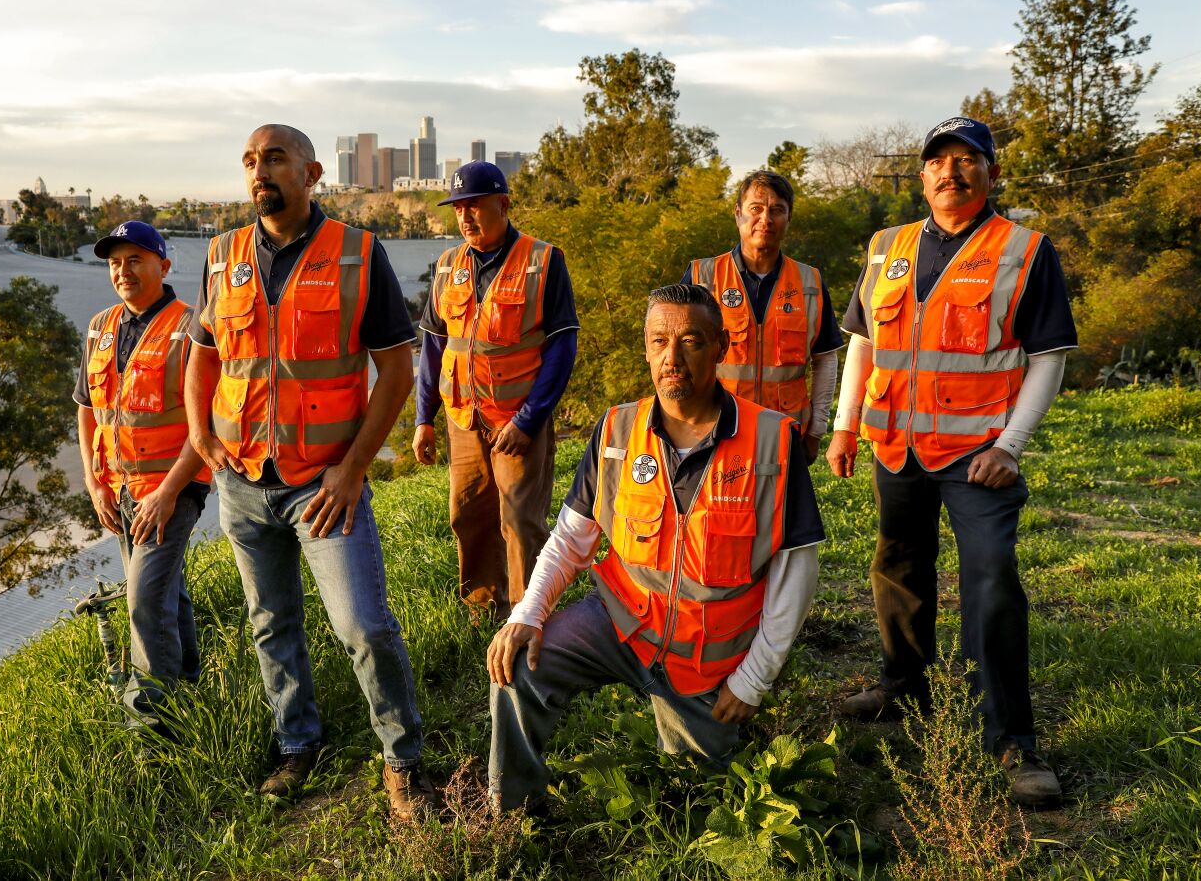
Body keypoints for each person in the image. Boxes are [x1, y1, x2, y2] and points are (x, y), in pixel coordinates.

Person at [487, 283, 823, 812]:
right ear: (644, 348)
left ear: (721, 346)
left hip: (709, 655)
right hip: (622, 621)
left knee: (695, 802)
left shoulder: (773, 441)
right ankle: (512, 810)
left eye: (690, 340)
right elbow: (572, 539)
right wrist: (527, 612)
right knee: (519, 664)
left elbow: (796, 575)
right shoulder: (617, 429)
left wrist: (754, 679)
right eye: (658, 341)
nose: (672, 357)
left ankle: (697, 744)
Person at [826, 116, 1077, 807]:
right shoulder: (888, 248)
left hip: (978, 456)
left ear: (992, 175)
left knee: (991, 579)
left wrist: (1010, 446)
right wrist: (846, 426)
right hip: (896, 447)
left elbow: (1048, 357)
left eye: (970, 160)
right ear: (922, 175)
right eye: (940, 160)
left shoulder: (1024, 251)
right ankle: (903, 686)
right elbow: (862, 342)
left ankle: (1012, 744)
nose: (952, 171)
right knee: (896, 564)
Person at [185, 124, 433, 820]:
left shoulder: (357, 253)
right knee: (271, 623)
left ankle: (403, 759)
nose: (259, 171)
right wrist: (200, 432)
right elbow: (203, 353)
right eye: (250, 162)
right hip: (241, 484)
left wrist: (355, 468)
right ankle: (298, 742)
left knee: (363, 626)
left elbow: (397, 368)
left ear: (312, 172)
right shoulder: (223, 253)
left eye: (274, 159)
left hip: (324, 486)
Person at [413, 161, 579, 621]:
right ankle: (482, 611)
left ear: (503, 204)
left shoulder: (543, 261)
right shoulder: (448, 266)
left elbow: (563, 346)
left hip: (517, 420)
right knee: (468, 517)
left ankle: (527, 619)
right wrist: (423, 419)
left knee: (521, 524)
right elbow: (432, 347)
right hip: (463, 418)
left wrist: (529, 420)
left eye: (475, 207)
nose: (465, 218)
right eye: (458, 209)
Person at [75, 220, 212, 738]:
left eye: (135, 259)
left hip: (175, 486)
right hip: (120, 487)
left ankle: (154, 729)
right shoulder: (99, 328)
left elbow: (207, 422)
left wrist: (169, 492)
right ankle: (191, 695)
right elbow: (88, 411)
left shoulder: (191, 327)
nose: (122, 271)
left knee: (144, 600)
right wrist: (94, 483)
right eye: (114, 262)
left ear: (163, 266)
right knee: (165, 593)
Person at [684, 170, 843, 461]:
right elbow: (675, 356)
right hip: (714, 433)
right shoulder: (702, 278)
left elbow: (825, 359)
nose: (765, 219)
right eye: (755, 208)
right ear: (738, 214)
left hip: (785, 434)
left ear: (789, 218)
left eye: (777, 210)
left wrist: (817, 430)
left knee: (782, 508)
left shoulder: (810, 283)